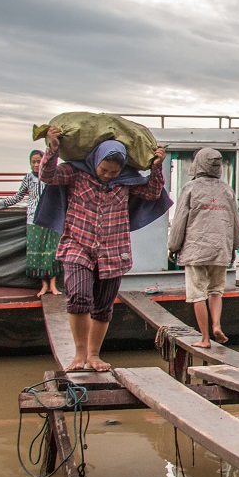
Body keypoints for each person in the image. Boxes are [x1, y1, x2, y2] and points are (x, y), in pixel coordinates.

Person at [36, 127, 169, 371]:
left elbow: (152, 192)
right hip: (77, 244)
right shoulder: (76, 173)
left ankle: (94, 355)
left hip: (114, 250)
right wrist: (52, 149)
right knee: (78, 297)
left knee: (103, 306)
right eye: (104, 170)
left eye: (113, 172)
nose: (108, 175)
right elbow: (48, 176)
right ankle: (79, 355)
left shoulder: (125, 181)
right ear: (95, 161)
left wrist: (157, 166)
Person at [167, 147, 239, 348]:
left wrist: (173, 246)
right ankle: (217, 324)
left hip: (195, 249)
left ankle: (205, 338)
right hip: (221, 249)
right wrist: (234, 246)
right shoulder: (227, 190)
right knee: (216, 290)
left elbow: (180, 220)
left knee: (197, 294)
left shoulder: (190, 188)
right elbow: (235, 222)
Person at [0, 150, 63, 297]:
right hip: (33, 218)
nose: (35, 164)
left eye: (38, 161)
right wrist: (0, 203)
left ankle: (53, 284)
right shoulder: (28, 178)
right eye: (33, 162)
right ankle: (44, 285)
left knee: (53, 251)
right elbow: (18, 196)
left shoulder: (53, 177)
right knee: (37, 252)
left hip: (51, 218)